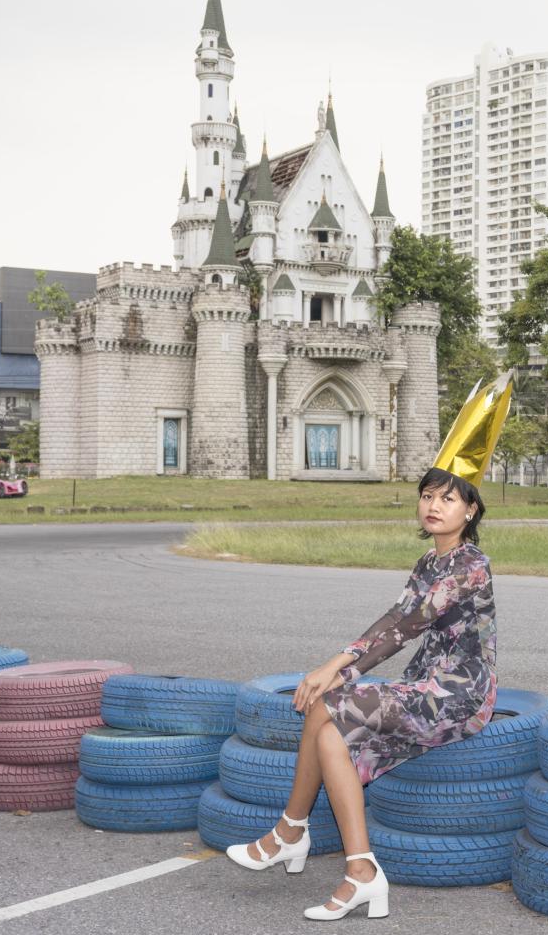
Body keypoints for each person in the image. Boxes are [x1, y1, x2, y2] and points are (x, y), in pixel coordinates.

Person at [228, 373, 512, 922]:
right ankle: (360, 871)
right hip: (422, 685)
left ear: (470, 510)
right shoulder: (429, 561)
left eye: (448, 498)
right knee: (325, 721)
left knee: (330, 699)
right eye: (428, 495)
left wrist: (338, 662)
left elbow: (409, 621)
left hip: (458, 695)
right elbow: (396, 619)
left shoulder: (472, 565)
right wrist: (340, 667)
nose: (434, 505)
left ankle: (291, 831)